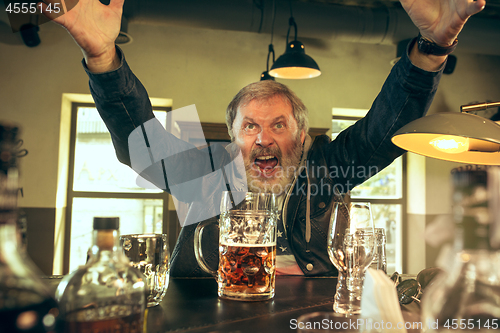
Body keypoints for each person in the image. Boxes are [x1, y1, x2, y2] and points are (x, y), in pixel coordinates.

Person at [41, 0, 486, 276]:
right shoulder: (206, 171)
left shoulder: (325, 168)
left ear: (302, 135)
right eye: (250, 126)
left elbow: (382, 133)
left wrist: (432, 46)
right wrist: (102, 56)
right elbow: (142, 144)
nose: (264, 139)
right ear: (233, 137)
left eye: (278, 125)